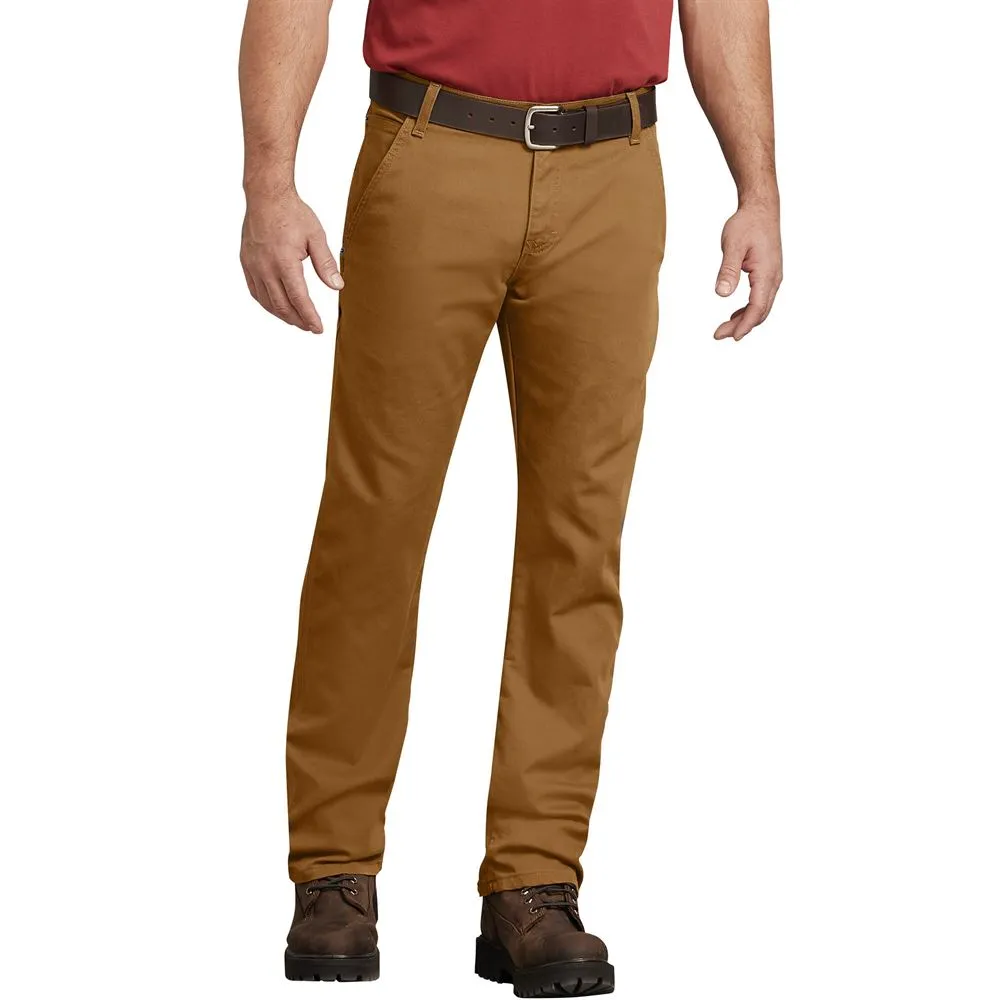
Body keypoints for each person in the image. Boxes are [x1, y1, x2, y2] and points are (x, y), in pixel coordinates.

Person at [239, 0, 782, 993]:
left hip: (614, 170)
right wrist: (269, 184)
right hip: (430, 146)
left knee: (581, 537)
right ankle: (333, 869)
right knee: (375, 526)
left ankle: (534, 880)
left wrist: (759, 190)